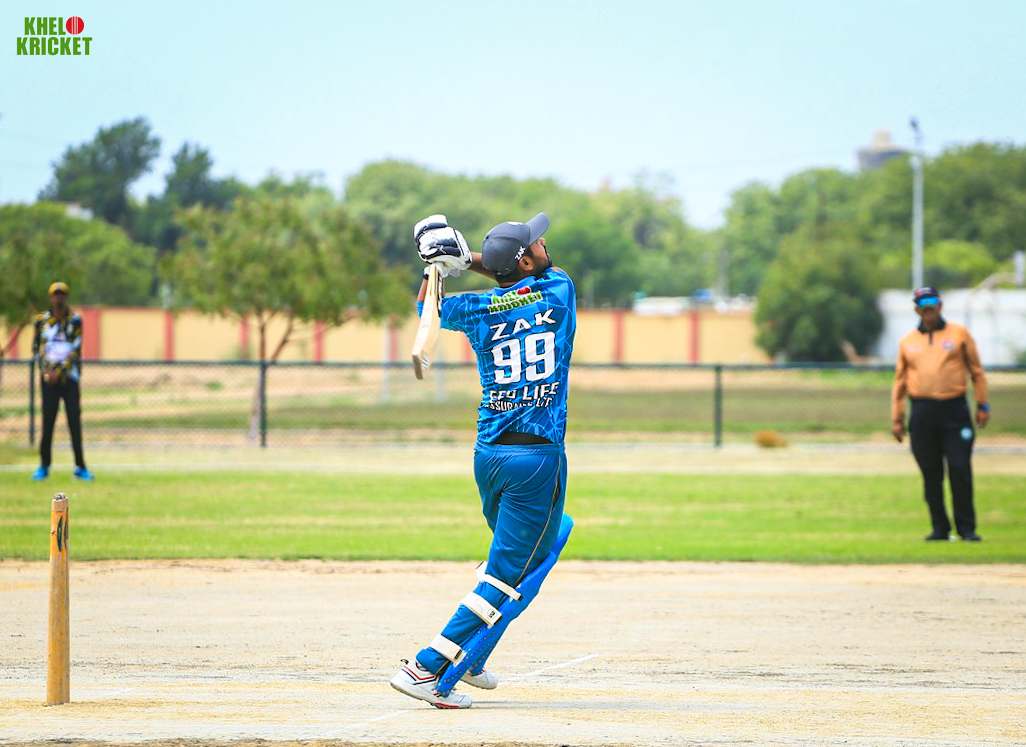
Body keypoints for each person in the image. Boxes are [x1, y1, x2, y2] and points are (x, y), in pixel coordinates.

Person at [389, 213, 576, 709]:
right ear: (525, 261)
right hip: (536, 460)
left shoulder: (476, 310)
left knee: (519, 557)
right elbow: (524, 278)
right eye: (535, 242)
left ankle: (472, 655)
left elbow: (428, 309)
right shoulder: (559, 292)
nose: (542, 241)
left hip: (489, 456)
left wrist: (439, 266)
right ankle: (425, 667)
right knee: (509, 575)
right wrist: (469, 258)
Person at [891, 286, 987, 541]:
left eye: (932, 301)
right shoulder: (908, 341)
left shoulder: (959, 334)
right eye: (922, 303)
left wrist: (982, 404)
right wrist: (897, 418)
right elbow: (899, 382)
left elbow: (977, 373)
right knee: (931, 472)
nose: (928, 307)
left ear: (941, 305)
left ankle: (967, 529)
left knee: (959, 468)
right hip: (922, 412)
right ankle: (939, 528)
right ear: (916, 309)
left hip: (954, 410)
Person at [31, 282, 94, 481]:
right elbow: (37, 348)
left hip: (70, 378)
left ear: (66, 297)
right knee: (47, 422)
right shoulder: (41, 321)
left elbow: (75, 349)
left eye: (62, 294)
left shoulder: (75, 320)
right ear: (51, 297)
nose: (59, 298)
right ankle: (44, 466)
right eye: (56, 294)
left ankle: (80, 466)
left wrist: (59, 371)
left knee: (74, 421)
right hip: (48, 379)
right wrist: (47, 371)